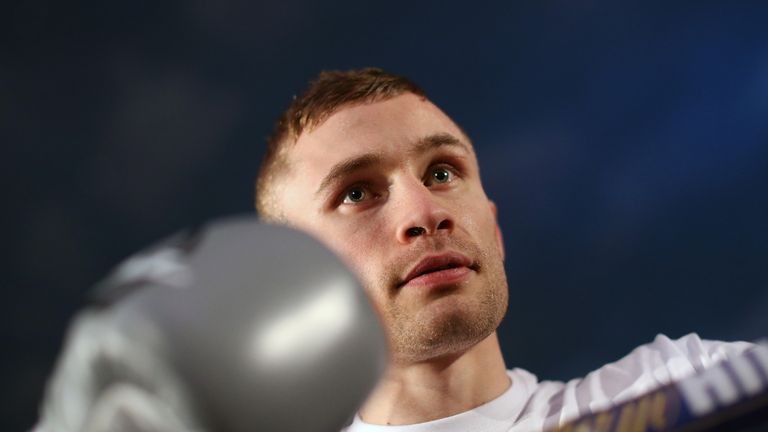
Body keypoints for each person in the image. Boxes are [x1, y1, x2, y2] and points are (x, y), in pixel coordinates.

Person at [254, 67, 755, 431]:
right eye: (357, 193)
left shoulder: (690, 387)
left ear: (493, 231)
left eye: (442, 172)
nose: (425, 212)